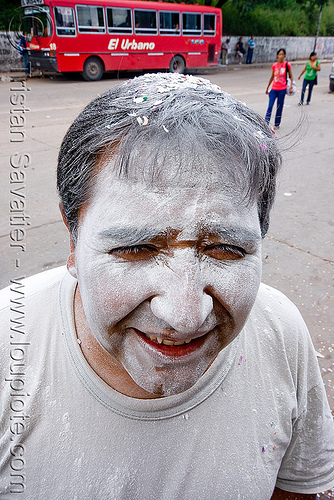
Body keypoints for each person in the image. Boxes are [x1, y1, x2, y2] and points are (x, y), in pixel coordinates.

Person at [0, 73, 333, 499]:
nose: (185, 314)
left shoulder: (280, 331)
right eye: (136, 248)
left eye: (226, 249)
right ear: (73, 238)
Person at [265, 48, 293, 130]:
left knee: (279, 107)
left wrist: (291, 86)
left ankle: (277, 124)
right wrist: (268, 88)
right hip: (274, 89)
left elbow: (291, 76)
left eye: (282, 54)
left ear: (284, 55)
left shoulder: (287, 65)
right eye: (279, 54)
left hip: (282, 89)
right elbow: (272, 76)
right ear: (277, 55)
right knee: (270, 106)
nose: (281, 56)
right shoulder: (275, 65)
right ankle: (266, 123)